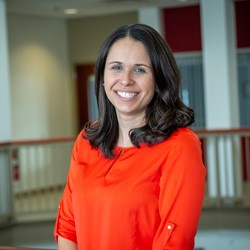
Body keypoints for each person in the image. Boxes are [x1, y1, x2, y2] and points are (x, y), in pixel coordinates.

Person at [54, 23, 206, 250]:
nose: (126, 80)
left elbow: (174, 242)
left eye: (140, 69)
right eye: (116, 67)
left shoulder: (180, 146)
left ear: (159, 80)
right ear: (103, 77)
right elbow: (68, 225)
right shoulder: (87, 140)